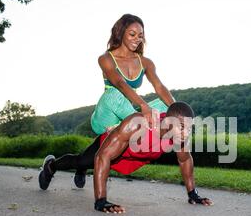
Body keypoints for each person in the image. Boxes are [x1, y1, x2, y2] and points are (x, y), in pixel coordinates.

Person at [39, 102, 213, 214]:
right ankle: (51, 166)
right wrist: (101, 200)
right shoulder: (139, 123)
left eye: (189, 128)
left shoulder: (180, 137)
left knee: (89, 163)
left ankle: (83, 168)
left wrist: (193, 194)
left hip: (131, 159)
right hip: (108, 150)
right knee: (83, 160)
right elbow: (103, 155)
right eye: (182, 127)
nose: (186, 133)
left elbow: (185, 160)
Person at [71, 13, 176, 188]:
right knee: (115, 95)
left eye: (140, 35)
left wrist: (176, 111)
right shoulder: (106, 58)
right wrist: (143, 107)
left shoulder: (146, 63)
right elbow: (119, 84)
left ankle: (74, 166)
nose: (137, 39)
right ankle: (138, 124)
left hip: (128, 114)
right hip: (108, 113)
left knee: (169, 104)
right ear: (121, 32)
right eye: (132, 34)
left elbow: (159, 87)